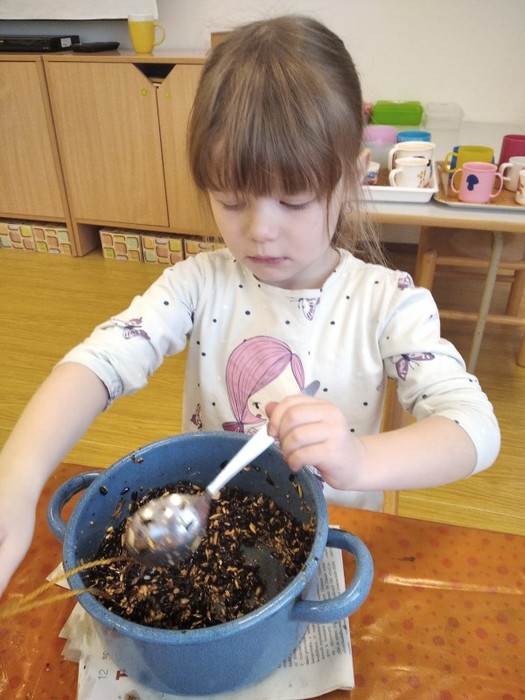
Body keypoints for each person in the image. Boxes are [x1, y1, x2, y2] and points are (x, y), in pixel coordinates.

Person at [0, 15, 500, 596]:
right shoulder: (197, 284)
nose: (260, 230)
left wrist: (359, 459)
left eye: (294, 200)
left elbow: (474, 428)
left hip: (328, 542)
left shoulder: (388, 303)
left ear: (350, 177)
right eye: (232, 200)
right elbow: (99, 362)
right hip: (209, 529)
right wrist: (17, 477)